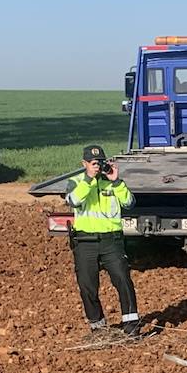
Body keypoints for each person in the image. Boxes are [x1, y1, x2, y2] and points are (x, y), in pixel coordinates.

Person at [66, 144, 140, 338]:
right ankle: (98, 327)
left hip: (111, 241)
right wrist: (89, 179)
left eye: (100, 162)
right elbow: (74, 200)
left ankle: (131, 324)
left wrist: (116, 181)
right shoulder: (76, 182)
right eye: (93, 163)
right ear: (84, 164)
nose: (97, 166)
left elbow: (129, 203)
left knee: (123, 279)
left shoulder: (113, 183)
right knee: (87, 285)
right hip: (85, 241)